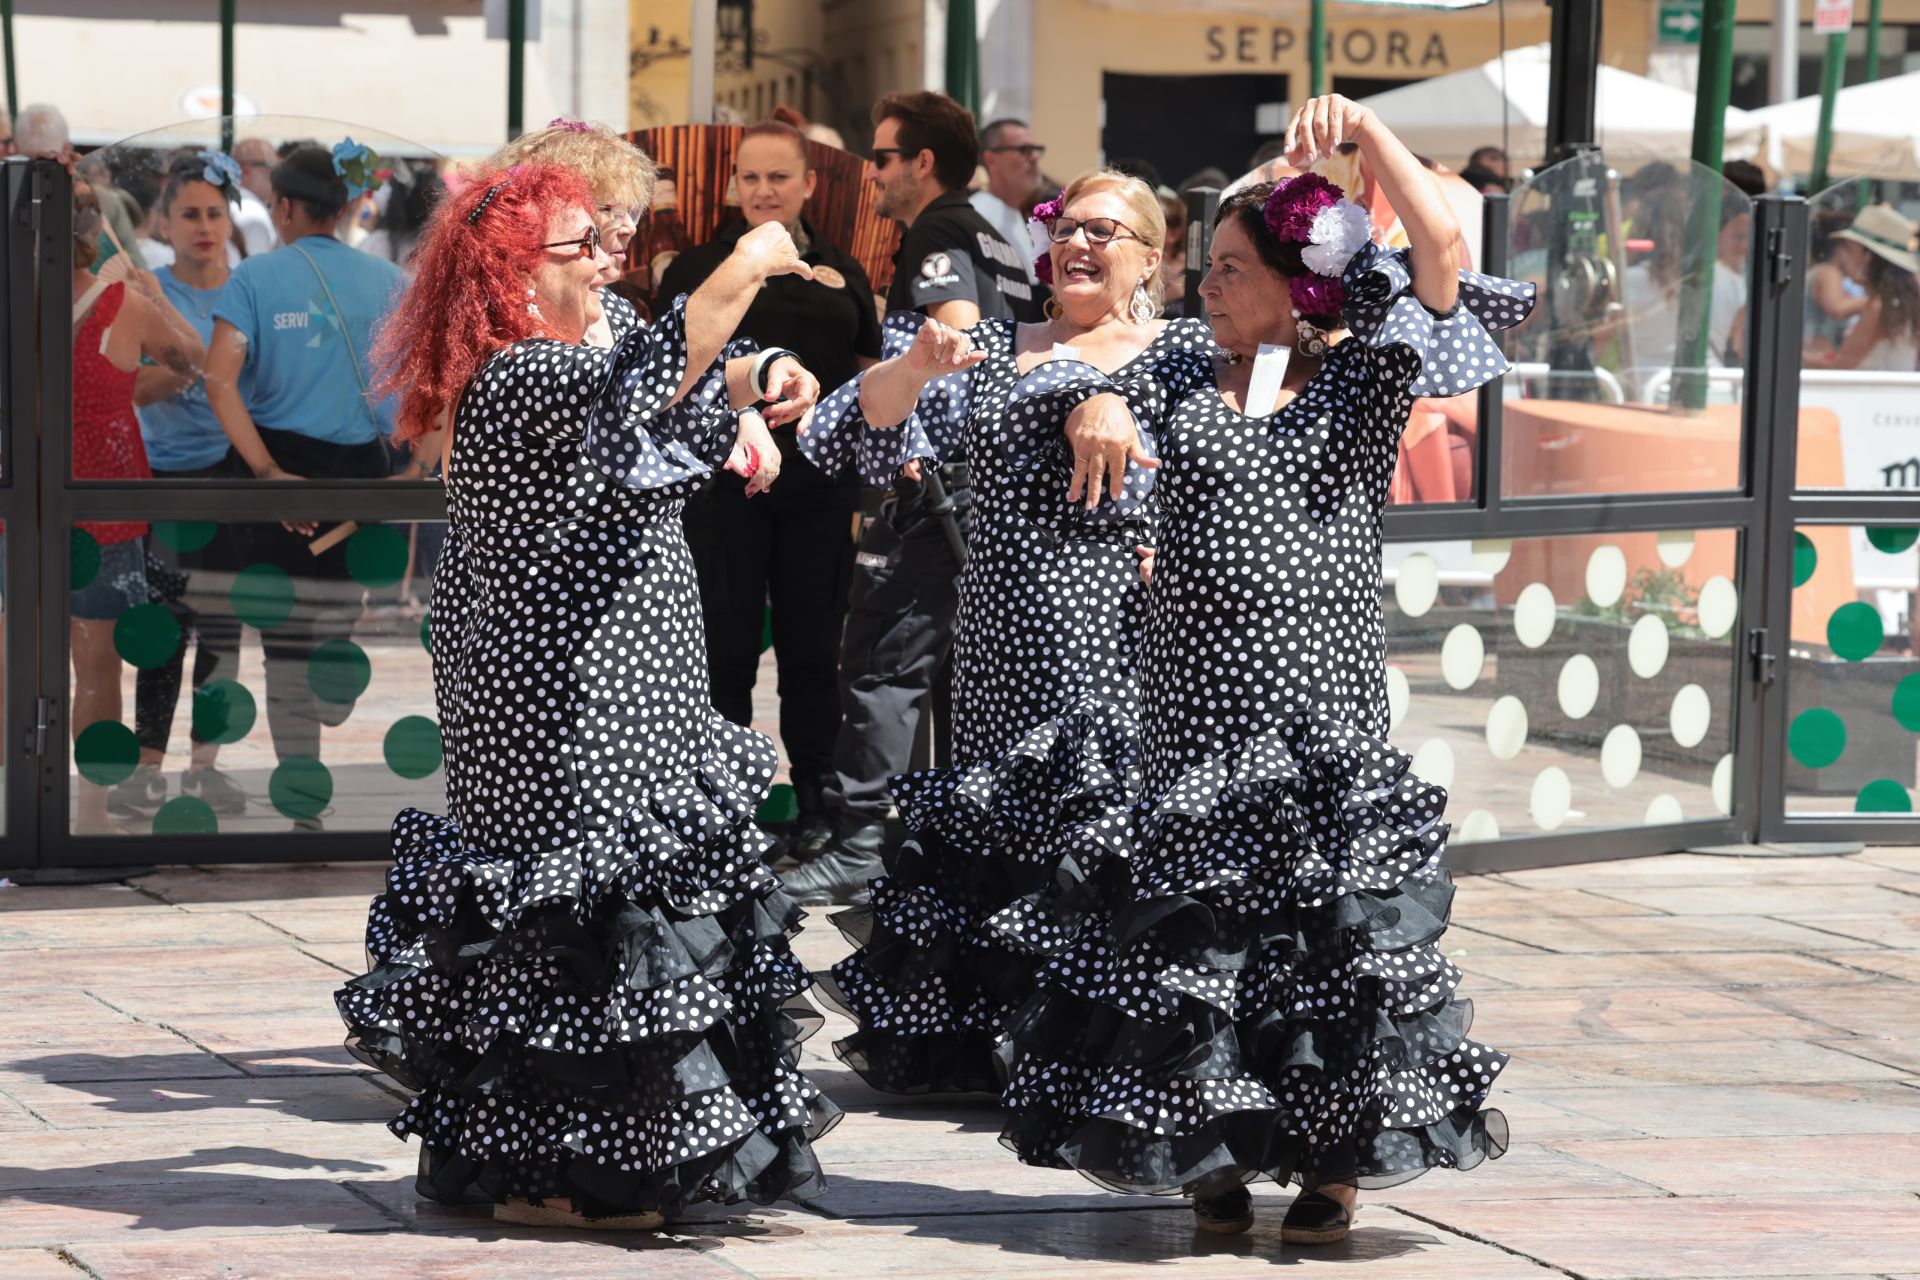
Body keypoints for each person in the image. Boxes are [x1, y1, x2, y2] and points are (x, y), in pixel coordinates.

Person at [996, 95, 1530, 1242]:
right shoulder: (1186, 369)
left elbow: (1440, 250)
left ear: (1303, 283)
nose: (1210, 285)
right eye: (1211, 267)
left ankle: (1332, 1165)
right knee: (1197, 948)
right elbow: (1083, 372)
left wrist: (1362, 143)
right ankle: (1209, 1153)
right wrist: (1092, 393)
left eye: (1234, 268)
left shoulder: (1360, 380)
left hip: (1314, 728)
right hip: (1190, 731)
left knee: (1322, 951)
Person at [335, 160, 836, 1229]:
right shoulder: (516, 374)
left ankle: (623, 1158)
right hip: (558, 704)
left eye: (609, 238)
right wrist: (750, 257)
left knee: (641, 920)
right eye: (584, 244)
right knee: (585, 930)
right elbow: (660, 372)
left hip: (636, 688)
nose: (613, 255)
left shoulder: (596, 333)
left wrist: (763, 372)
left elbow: (691, 374)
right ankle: (561, 1175)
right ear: (514, 277)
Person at [796, 169, 1216, 1096]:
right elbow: (840, 430)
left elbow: (1246, 454)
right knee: (1003, 821)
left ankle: (1103, 1039)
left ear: (1152, 255)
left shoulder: (1188, 352)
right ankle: (1004, 1036)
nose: (1080, 245)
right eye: (1068, 228)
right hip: (999, 631)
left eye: (1107, 231)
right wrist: (911, 368)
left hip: (1126, 631)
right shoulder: (987, 342)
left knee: (1107, 815)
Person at [779, 90, 1042, 905]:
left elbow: (954, 341)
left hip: (938, 489)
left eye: (883, 157)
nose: (873, 173)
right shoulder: (997, 232)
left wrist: (913, 442)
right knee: (961, 677)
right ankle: (950, 840)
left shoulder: (938, 230)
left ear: (922, 164)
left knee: (884, 664)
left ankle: (860, 843)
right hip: (988, 489)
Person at [661, 108, 883, 865]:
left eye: (778, 176)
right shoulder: (699, 269)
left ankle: (818, 804)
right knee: (722, 649)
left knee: (812, 652)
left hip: (821, 491)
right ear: (732, 185)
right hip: (722, 494)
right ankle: (723, 813)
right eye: (749, 176)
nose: (762, 189)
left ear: (809, 184)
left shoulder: (845, 272)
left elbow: (863, 377)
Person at [203, 144, 405, 829]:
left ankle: (301, 804)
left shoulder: (255, 279)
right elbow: (423, 386)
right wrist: (416, 466)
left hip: (277, 465)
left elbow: (219, 379)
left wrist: (265, 473)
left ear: (284, 207)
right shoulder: (388, 281)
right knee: (331, 620)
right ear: (347, 206)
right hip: (361, 477)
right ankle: (332, 698)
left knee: (285, 645)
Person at [113, 151, 255, 821]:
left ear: (230, 220)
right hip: (166, 478)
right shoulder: (145, 291)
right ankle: (146, 769)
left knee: (224, 630)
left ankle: (206, 768)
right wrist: (190, 370)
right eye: (189, 214)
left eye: (214, 213)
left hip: (232, 477)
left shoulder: (249, 288)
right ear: (165, 223)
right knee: (164, 631)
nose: (204, 225)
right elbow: (130, 389)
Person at [69, 180, 206, 832]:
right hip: (104, 502)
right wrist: (152, 294)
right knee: (98, 667)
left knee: (11, 665)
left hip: (17, 500)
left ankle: (13, 809)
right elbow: (192, 358)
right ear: (94, 234)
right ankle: (90, 818)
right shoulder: (122, 302)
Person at [1819, 204, 1920, 372]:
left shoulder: (1878, 308)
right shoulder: (1901, 303)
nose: (1842, 257)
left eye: (1850, 250)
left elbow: (1840, 367)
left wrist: (1803, 358)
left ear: (1869, 257)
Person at [972, 118, 1046, 284]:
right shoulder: (978, 214)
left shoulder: (1016, 215)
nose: (1034, 158)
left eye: (1036, 150)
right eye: (1024, 150)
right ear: (991, 159)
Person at [229, 138, 281, 256]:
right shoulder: (252, 214)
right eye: (273, 168)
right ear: (244, 171)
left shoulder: (227, 204)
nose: (278, 176)